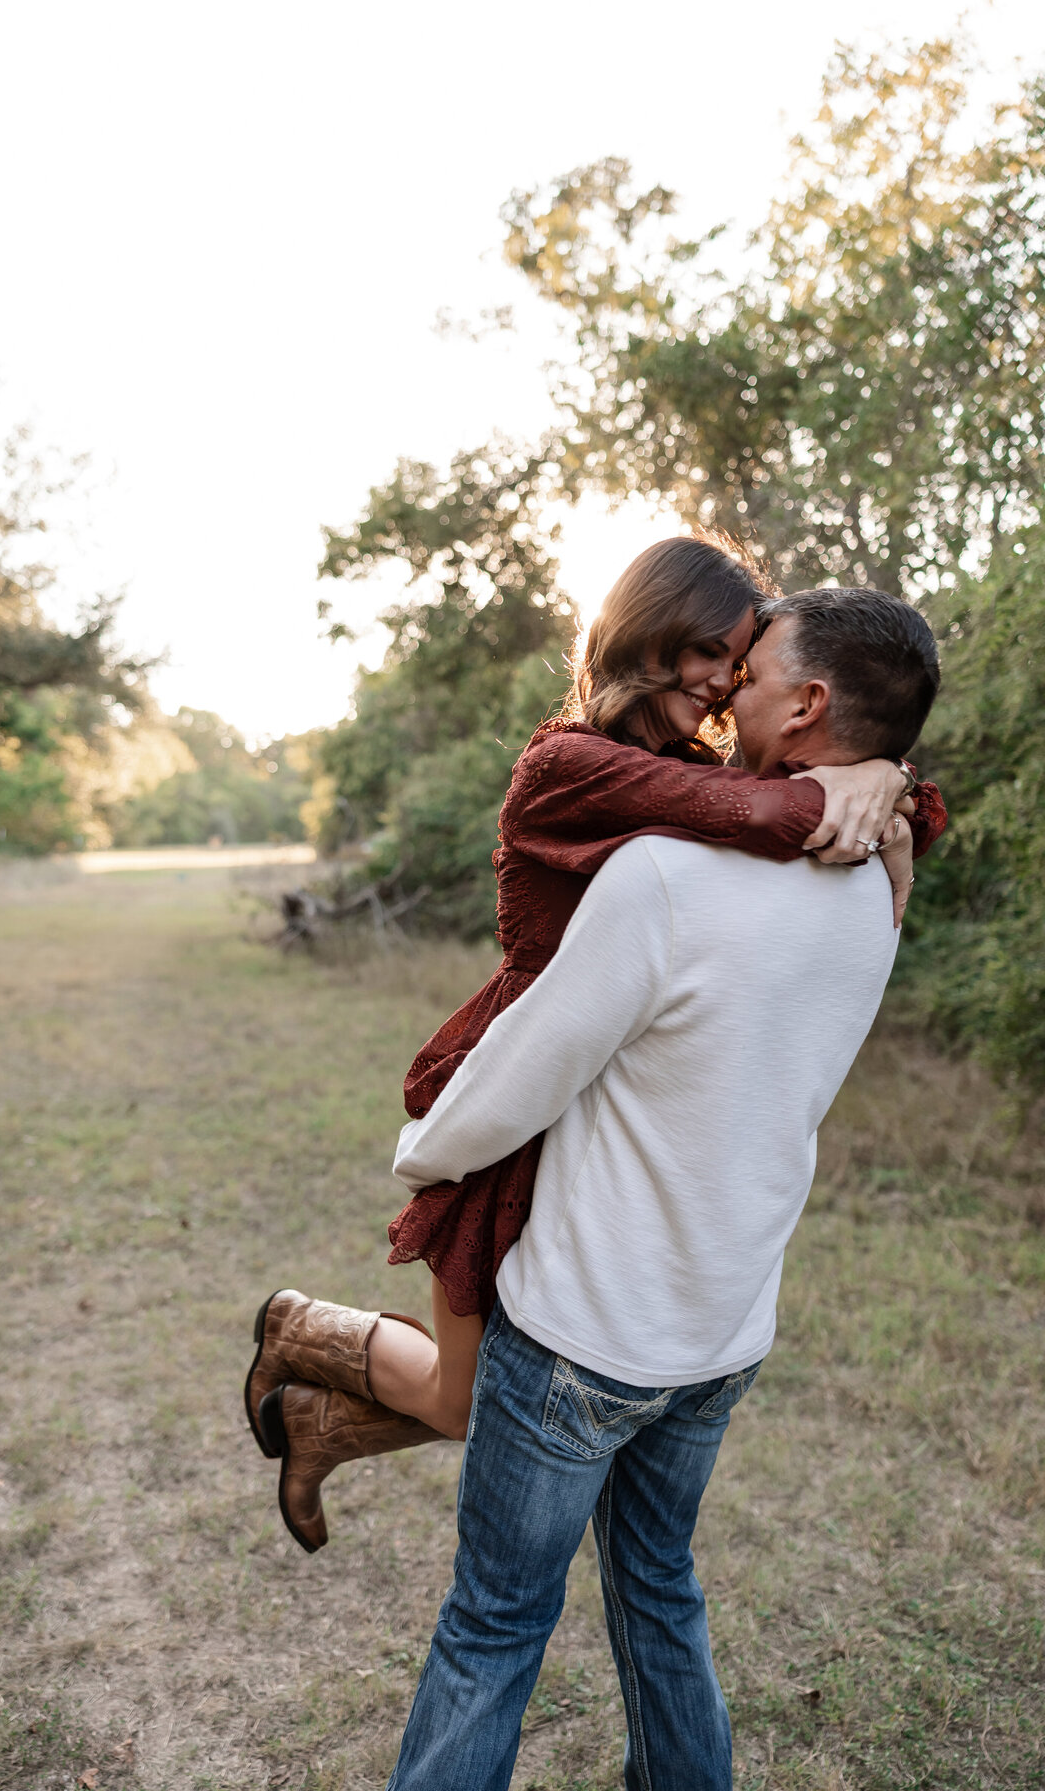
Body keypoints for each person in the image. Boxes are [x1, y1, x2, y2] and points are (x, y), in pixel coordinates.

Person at [245, 538, 947, 1552]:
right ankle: (298, 1329)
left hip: (597, 1115)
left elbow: (777, 814)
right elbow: (758, 808)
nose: (720, 685)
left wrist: (886, 779)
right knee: (464, 1403)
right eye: (711, 655)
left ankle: (312, 1412)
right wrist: (880, 782)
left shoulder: (686, 760)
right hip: (522, 1096)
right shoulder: (564, 768)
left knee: (485, 1404)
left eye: (740, 665)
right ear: (642, 635)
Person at [375, 585, 942, 1790]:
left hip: (585, 1331)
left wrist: (423, 1156)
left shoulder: (666, 879)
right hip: (722, 1332)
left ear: (810, 702)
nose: (729, 691)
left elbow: (527, 1071)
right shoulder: (878, 890)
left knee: (494, 1626)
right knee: (660, 1598)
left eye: (754, 672)